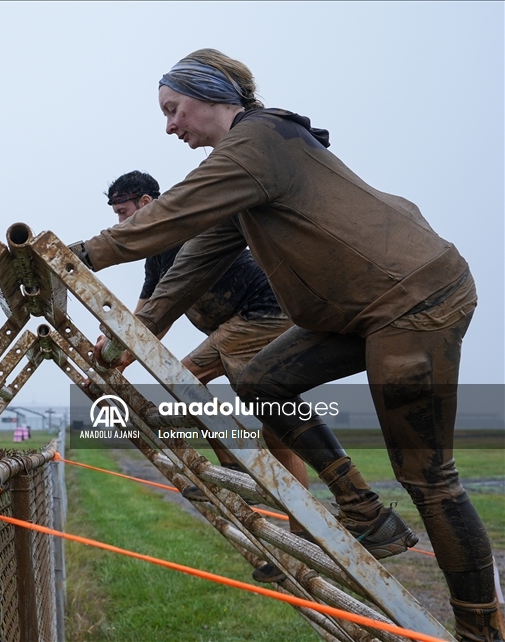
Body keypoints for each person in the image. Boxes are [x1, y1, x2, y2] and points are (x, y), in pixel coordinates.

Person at [70, 50, 500, 640]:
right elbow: (190, 262)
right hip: (360, 309)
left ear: (212, 94)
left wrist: (81, 256)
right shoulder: (244, 172)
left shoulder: (260, 140)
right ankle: (362, 510)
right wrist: (135, 336)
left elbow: (169, 214)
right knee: (261, 381)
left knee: (428, 475)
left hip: (415, 300)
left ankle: (482, 630)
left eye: (174, 110)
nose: (170, 126)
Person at [104, 170, 310, 582]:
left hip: (262, 314)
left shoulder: (183, 232)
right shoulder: (156, 254)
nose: (119, 224)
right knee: (276, 431)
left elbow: (156, 315)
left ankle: (231, 468)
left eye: (123, 213)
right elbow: (146, 317)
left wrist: (121, 351)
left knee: (183, 380)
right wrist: (114, 354)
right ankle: (300, 546)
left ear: (147, 203)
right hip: (246, 323)